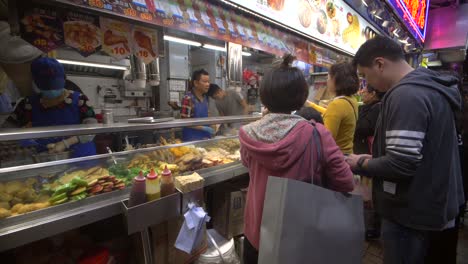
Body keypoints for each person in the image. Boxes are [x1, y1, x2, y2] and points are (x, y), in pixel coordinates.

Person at [346, 36, 465, 264]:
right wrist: (376, 158)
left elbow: (402, 164)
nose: (366, 84)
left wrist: (361, 163)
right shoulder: (430, 88)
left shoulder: (406, 95)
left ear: (380, 64)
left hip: (412, 214)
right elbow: (416, 153)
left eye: (365, 75)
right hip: (433, 204)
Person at [239, 54, 355, 264]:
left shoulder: (248, 133)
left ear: (264, 97)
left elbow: (247, 164)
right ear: (302, 97)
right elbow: (345, 182)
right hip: (300, 235)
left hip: (256, 232)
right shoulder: (316, 133)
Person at [11, 57, 97, 159]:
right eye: (46, 87)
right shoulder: (27, 104)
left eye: (55, 86)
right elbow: (11, 131)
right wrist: (29, 143)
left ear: (64, 78)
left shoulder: (80, 100)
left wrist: (65, 143)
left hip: (81, 157)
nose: (52, 91)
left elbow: (92, 130)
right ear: (36, 83)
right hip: (45, 159)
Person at [310, 62, 359, 154]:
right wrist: (312, 105)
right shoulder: (351, 100)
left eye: (328, 78)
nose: (327, 81)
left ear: (337, 80)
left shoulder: (337, 104)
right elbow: (334, 115)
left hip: (336, 157)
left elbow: (326, 139)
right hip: (347, 154)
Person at [180, 69, 215, 141]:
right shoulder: (188, 98)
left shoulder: (205, 98)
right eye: (205, 82)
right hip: (192, 140)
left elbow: (208, 115)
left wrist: (213, 124)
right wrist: (204, 128)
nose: (208, 84)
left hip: (206, 138)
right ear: (196, 83)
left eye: (208, 82)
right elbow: (185, 121)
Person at [353, 85, 384, 155]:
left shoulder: (377, 108)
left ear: (372, 94)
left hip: (365, 150)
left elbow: (363, 128)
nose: (361, 93)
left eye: (364, 92)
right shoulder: (364, 107)